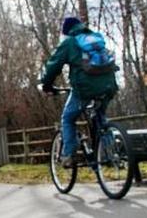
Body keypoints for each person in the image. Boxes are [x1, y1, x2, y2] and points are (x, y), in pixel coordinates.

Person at [40, 16, 119, 167]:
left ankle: (68, 155)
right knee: (100, 117)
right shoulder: (96, 38)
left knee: (68, 118)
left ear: (67, 31)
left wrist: (46, 85)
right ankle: (111, 153)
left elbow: (53, 66)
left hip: (84, 89)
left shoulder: (70, 42)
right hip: (109, 85)